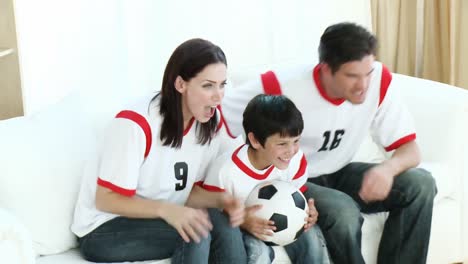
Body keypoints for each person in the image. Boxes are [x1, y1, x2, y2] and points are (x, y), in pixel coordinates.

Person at [220, 22, 437, 264]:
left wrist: (387, 169)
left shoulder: (379, 82)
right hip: (298, 178)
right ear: (325, 69)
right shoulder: (280, 85)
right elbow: (219, 113)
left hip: (343, 170)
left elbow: (411, 151)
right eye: (352, 76)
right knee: (343, 211)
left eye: (368, 73)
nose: (363, 85)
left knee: (421, 184)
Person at [71, 38, 247, 263]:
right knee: (195, 233)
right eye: (208, 85)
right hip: (102, 228)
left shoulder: (209, 121)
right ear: (181, 84)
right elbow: (107, 200)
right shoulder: (135, 124)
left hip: (155, 218)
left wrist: (222, 200)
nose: (218, 96)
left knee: (223, 223)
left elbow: (180, 190)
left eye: (223, 84)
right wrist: (168, 211)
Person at [203, 94, 330, 264]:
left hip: (284, 226)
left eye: (296, 141)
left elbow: (296, 196)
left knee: (313, 239)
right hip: (244, 229)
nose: (291, 150)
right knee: (260, 254)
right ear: (255, 140)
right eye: (282, 144)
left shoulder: (296, 160)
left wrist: (307, 212)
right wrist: (243, 221)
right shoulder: (225, 172)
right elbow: (212, 217)